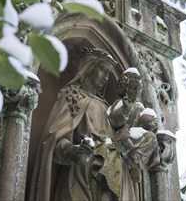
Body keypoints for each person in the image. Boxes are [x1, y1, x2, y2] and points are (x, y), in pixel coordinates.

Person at [28, 48, 160, 201]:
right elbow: (55, 140)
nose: (106, 78)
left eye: (109, 73)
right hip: (83, 170)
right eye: (103, 70)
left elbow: (120, 127)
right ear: (89, 68)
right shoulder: (72, 96)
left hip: (113, 167)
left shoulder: (106, 107)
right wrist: (74, 152)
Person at [107, 67, 160, 182]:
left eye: (139, 89)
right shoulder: (119, 103)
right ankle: (132, 158)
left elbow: (150, 123)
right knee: (124, 136)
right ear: (124, 89)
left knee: (151, 136)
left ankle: (135, 156)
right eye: (133, 88)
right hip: (121, 137)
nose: (136, 92)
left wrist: (150, 120)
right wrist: (125, 109)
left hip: (135, 139)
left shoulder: (139, 106)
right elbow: (114, 121)